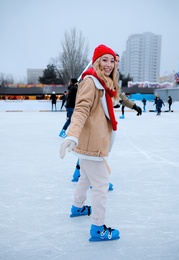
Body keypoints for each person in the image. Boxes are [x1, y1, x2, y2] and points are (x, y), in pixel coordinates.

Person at [59, 44, 142, 242]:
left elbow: (117, 97)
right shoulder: (91, 81)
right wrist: (72, 135)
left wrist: (133, 105)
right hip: (91, 143)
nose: (109, 64)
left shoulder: (105, 82)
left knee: (85, 178)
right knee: (101, 185)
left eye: (112, 61)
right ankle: (98, 227)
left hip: (95, 140)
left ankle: (77, 207)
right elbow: (81, 109)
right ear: (96, 61)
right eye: (104, 60)